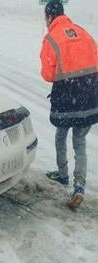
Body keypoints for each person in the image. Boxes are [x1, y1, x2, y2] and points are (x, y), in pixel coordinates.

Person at [40, 0, 98, 209]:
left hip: (66, 99)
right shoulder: (84, 33)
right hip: (90, 96)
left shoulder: (52, 38)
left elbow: (48, 74)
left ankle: (63, 174)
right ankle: (80, 186)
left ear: (49, 17)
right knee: (80, 141)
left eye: (45, 18)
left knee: (61, 134)